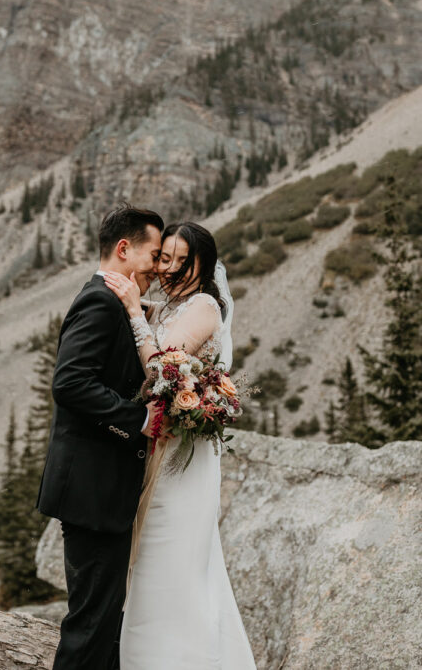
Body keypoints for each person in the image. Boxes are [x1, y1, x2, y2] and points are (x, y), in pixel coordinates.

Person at [103, 220, 257, 669]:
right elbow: (163, 322)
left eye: (181, 261)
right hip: (162, 443)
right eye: (164, 258)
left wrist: (134, 311)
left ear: (203, 265)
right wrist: (142, 305)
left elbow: (163, 366)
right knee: (152, 548)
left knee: (169, 549)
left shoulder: (205, 306)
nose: (169, 269)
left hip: (183, 458)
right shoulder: (174, 305)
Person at [35, 203, 174, 670]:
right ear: (124, 249)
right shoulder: (100, 300)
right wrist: (138, 420)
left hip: (100, 490)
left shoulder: (116, 302)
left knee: (103, 622)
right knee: (91, 625)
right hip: (91, 490)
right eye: (154, 255)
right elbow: (70, 383)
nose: (158, 268)